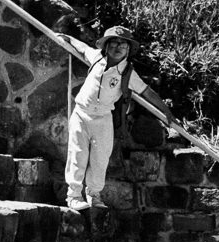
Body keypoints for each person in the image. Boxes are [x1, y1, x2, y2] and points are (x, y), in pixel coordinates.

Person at [58, 26, 175, 211]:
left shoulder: (127, 72)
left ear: (128, 49)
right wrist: (68, 38)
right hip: (81, 114)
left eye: (123, 44)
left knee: (100, 159)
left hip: (103, 118)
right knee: (77, 154)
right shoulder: (97, 58)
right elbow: (82, 48)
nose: (118, 47)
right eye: (114, 43)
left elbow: (147, 92)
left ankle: (94, 194)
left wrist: (167, 112)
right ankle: (73, 196)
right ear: (106, 46)